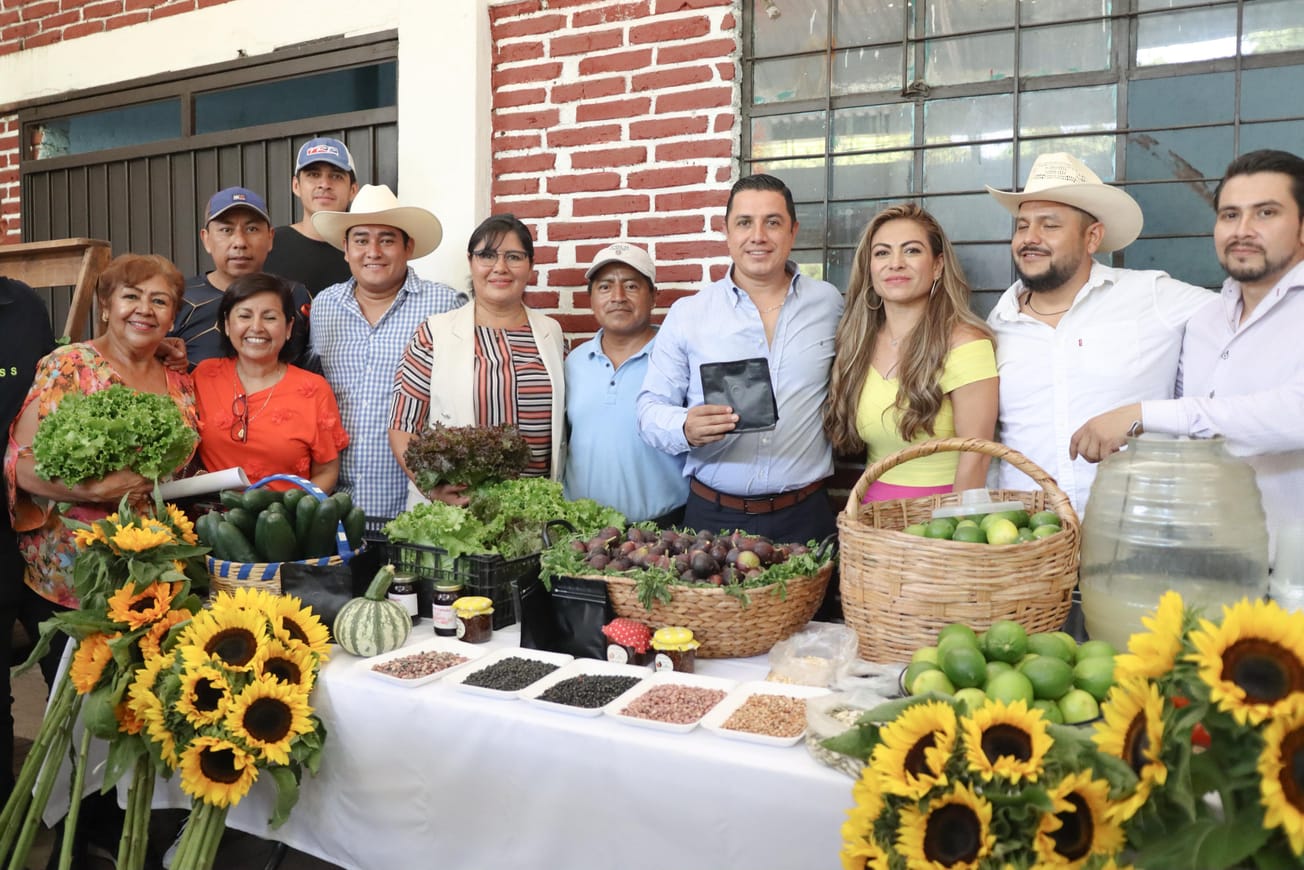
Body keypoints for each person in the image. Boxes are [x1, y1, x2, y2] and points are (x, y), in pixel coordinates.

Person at [1071, 149, 1304, 556]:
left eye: (1266, 213)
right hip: (1207, 564)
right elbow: (1192, 431)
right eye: (1230, 215)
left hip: (1291, 577)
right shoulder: (1205, 320)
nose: (1242, 230)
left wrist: (1140, 415)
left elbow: (1292, 413)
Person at [984, 152, 1214, 513]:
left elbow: (1249, 321)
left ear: (1092, 237)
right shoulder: (996, 325)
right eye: (1022, 225)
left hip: (1137, 531)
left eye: (1050, 225)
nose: (1030, 238)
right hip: (1028, 540)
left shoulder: (1151, 295)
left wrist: (1150, 415)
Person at [5, 254, 198, 677]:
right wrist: (91, 490)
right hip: (71, 580)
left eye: (160, 301)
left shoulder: (182, 383)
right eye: (131, 296)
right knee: (77, 712)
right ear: (106, 306)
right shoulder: (67, 367)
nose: (144, 309)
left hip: (153, 578)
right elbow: (19, 466)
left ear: (173, 317)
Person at [637, 174, 844, 543]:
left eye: (773, 222)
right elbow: (649, 409)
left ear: (793, 231)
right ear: (727, 232)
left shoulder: (829, 304)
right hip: (711, 518)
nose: (758, 235)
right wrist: (684, 426)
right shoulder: (690, 313)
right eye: (745, 222)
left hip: (806, 517)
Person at [310, 184, 467, 518]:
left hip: (414, 501)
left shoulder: (444, 305)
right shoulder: (324, 306)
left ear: (407, 247)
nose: (373, 251)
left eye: (387, 240)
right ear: (345, 248)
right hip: (336, 507)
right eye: (362, 240)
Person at [389, 214, 565, 508]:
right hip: (457, 511)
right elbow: (402, 425)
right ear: (471, 262)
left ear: (530, 266)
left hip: (534, 514)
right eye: (487, 255)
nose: (500, 267)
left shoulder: (552, 333)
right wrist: (432, 489)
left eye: (514, 256)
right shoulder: (435, 332)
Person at [823, 204, 998, 500]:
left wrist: (951, 533)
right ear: (870, 268)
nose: (896, 263)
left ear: (938, 265)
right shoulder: (856, 344)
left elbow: (977, 457)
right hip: (871, 519)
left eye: (912, 251)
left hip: (941, 521)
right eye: (882, 253)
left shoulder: (966, 343)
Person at [563, 242, 687, 524]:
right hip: (579, 531)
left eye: (631, 286)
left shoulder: (677, 360)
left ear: (654, 296)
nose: (617, 297)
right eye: (605, 287)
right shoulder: (574, 363)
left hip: (663, 530)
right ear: (591, 298)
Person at [191, 272, 349, 491]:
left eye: (270, 317)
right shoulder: (203, 376)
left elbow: (326, 471)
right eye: (244, 316)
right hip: (210, 520)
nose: (256, 327)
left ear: (289, 328)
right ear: (227, 325)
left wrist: (292, 514)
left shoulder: (314, 390)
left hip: (285, 520)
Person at [0, 277, 56, 804]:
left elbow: (50, 392)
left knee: (65, 676)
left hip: (38, 525)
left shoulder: (24, 305)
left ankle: (78, 823)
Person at [170, 186, 314, 368]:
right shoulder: (180, 299)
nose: (240, 242)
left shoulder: (295, 295)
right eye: (226, 230)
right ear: (206, 239)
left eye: (252, 229)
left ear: (270, 238)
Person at [263, 137, 359, 295]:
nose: (324, 184)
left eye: (336, 176)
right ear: (296, 185)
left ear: (353, 190)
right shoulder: (269, 246)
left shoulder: (367, 251)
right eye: (314, 175)